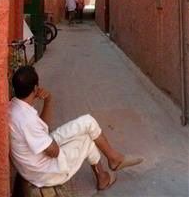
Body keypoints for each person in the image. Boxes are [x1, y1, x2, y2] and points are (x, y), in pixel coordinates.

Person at [8, 66, 143, 191]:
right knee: (86, 139)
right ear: (36, 88)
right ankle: (106, 172)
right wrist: (67, 141)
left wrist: (48, 100)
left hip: (39, 154)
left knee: (87, 122)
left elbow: (43, 129)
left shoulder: (14, 106)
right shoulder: (27, 120)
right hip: (45, 172)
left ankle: (113, 159)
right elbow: (53, 152)